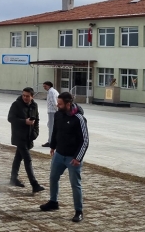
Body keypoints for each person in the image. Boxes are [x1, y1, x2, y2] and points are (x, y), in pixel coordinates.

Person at [40, 92, 89, 223]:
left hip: (73, 159)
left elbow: (84, 141)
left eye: (60, 104)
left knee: (75, 185)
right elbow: (55, 131)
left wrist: (78, 158)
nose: (57, 105)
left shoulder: (79, 118)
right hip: (59, 155)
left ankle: (78, 211)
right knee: (53, 178)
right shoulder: (58, 114)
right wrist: (53, 146)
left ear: (68, 104)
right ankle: (53, 202)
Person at [8, 87, 44, 193]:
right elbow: (10, 118)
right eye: (23, 95)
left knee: (18, 158)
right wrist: (24, 121)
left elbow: (36, 120)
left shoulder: (34, 105)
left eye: (27, 96)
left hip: (29, 136)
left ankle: (13, 179)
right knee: (27, 159)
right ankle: (34, 184)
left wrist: (35, 133)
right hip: (19, 136)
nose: (25, 97)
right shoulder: (16, 104)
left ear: (32, 96)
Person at [42, 81, 60, 147]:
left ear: (49, 86)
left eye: (45, 86)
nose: (44, 88)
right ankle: (53, 140)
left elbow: (54, 102)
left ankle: (51, 142)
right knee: (50, 125)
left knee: (51, 127)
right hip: (53, 111)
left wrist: (57, 111)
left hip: (52, 111)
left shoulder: (51, 92)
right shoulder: (53, 91)